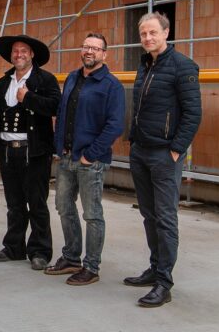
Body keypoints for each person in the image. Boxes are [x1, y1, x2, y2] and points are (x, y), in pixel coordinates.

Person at [124, 12, 202, 307]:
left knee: (166, 218)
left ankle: (164, 282)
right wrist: (133, 140)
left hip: (164, 154)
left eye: (153, 32)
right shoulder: (145, 66)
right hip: (141, 151)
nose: (147, 38)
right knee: (149, 215)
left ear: (166, 32)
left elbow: (193, 113)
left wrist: (176, 149)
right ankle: (155, 267)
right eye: (143, 33)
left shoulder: (183, 66)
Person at [47, 33, 125, 285]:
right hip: (67, 157)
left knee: (92, 214)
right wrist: (59, 147)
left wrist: (91, 155)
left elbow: (115, 126)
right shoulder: (72, 78)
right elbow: (62, 113)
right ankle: (71, 257)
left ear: (104, 54)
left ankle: (91, 267)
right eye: (86, 46)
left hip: (91, 161)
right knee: (63, 207)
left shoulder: (112, 85)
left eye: (95, 48)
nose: (89, 51)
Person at [0, 34, 61, 271]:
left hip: (35, 152)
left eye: (23, 51)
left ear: (32, 55)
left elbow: (55, 106)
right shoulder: (3, 82)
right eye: (15, 52)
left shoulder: (45, 80)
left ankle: (40, 250)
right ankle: (14, 247)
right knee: (14, 202)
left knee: (37, 202)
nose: (18, 55)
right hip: (8, 151)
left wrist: (28, 97)